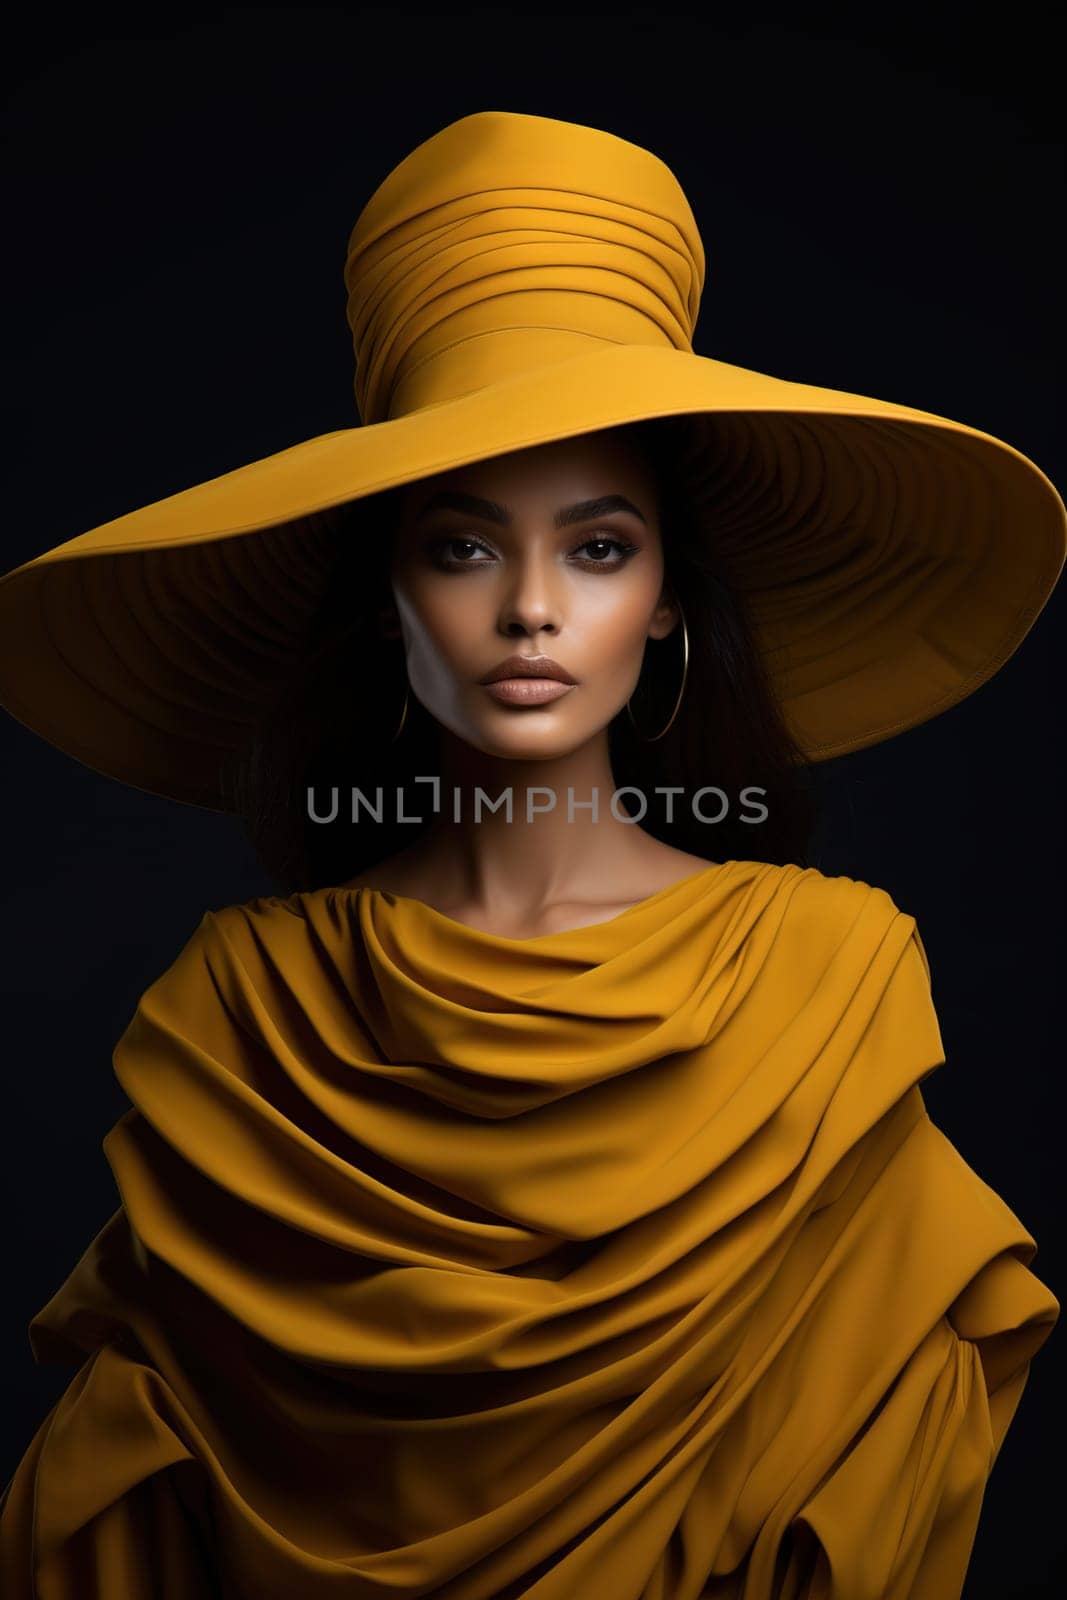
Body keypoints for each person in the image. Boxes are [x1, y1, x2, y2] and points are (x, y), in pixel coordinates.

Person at [0, 109, 1061, 1600]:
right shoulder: (242, 1014)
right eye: (462, 544)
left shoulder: (828, 985)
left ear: (672, 602)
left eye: (601, 545)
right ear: (388, 596)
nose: (534, 610)